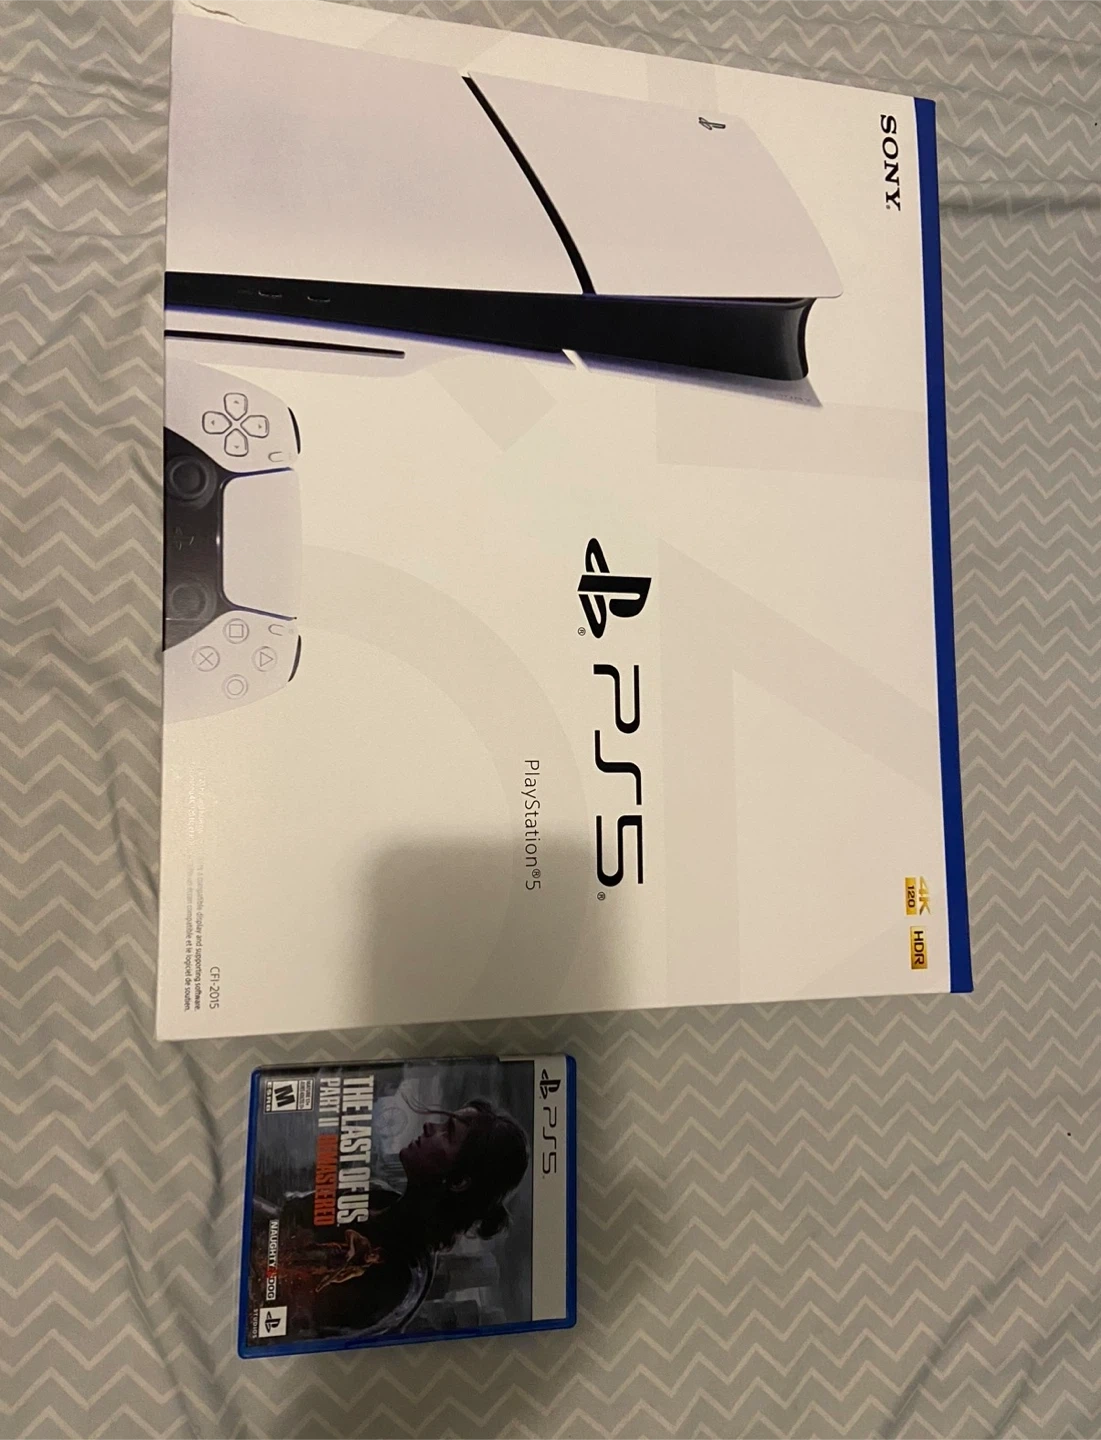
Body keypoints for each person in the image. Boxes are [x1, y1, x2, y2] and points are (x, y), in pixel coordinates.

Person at [264, 1098, 529, 1338]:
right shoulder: (381, 1195)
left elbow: (295, 1325)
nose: (429, 1127)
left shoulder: (399, 1277)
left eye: (448, 1133)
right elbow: (282, 1214)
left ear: (459, 1182)